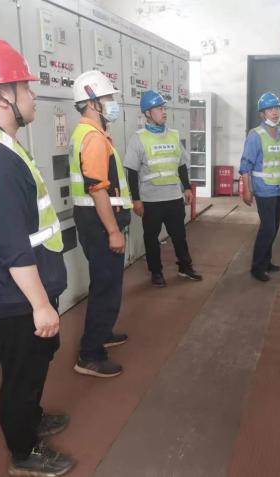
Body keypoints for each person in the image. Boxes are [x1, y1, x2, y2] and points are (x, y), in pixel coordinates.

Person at [0, 40, 72, 476]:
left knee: (36, 360)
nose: (33, 96)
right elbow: (10, 243)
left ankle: (31, 417)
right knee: (22, 371)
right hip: (15, 292)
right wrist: (40, 304)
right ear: (4, 95)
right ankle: (24, 451)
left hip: (20, 286)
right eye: (27, 88)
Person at [69, 70, 132, 378]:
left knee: (104, 281)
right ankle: (90, 355)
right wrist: (113, 231)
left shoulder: (87, 133)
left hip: (91, 220)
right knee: (106, 286)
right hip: (100, 223)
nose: (112, 103)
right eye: (108, 98)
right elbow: (97, 189)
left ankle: (103, 332)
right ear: (92, 102)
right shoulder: (93, 138)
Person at [123, 90, 202, 287]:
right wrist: (136, 199)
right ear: (147, 113)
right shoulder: (138, 139)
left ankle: (185, 266)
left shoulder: (173, 135)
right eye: (159, 108)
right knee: (151, 238)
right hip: (151, 200)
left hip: (173, 197)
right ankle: (156, 272)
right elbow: (131, 171)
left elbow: (181, 164)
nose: (164, 111)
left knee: (179, 236)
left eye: (164, 108)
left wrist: (187, 188)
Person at [239, 91, 280, 282]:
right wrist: (247, 190)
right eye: (270, 109)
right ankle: (257, 267)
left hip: (277, 187)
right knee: (268, 228)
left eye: (277, 108)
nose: (275, 112)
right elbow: (245, 165)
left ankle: (266, 261)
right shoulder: (255, 135)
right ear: (262, 114)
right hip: (263, 189)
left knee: (275, 226)